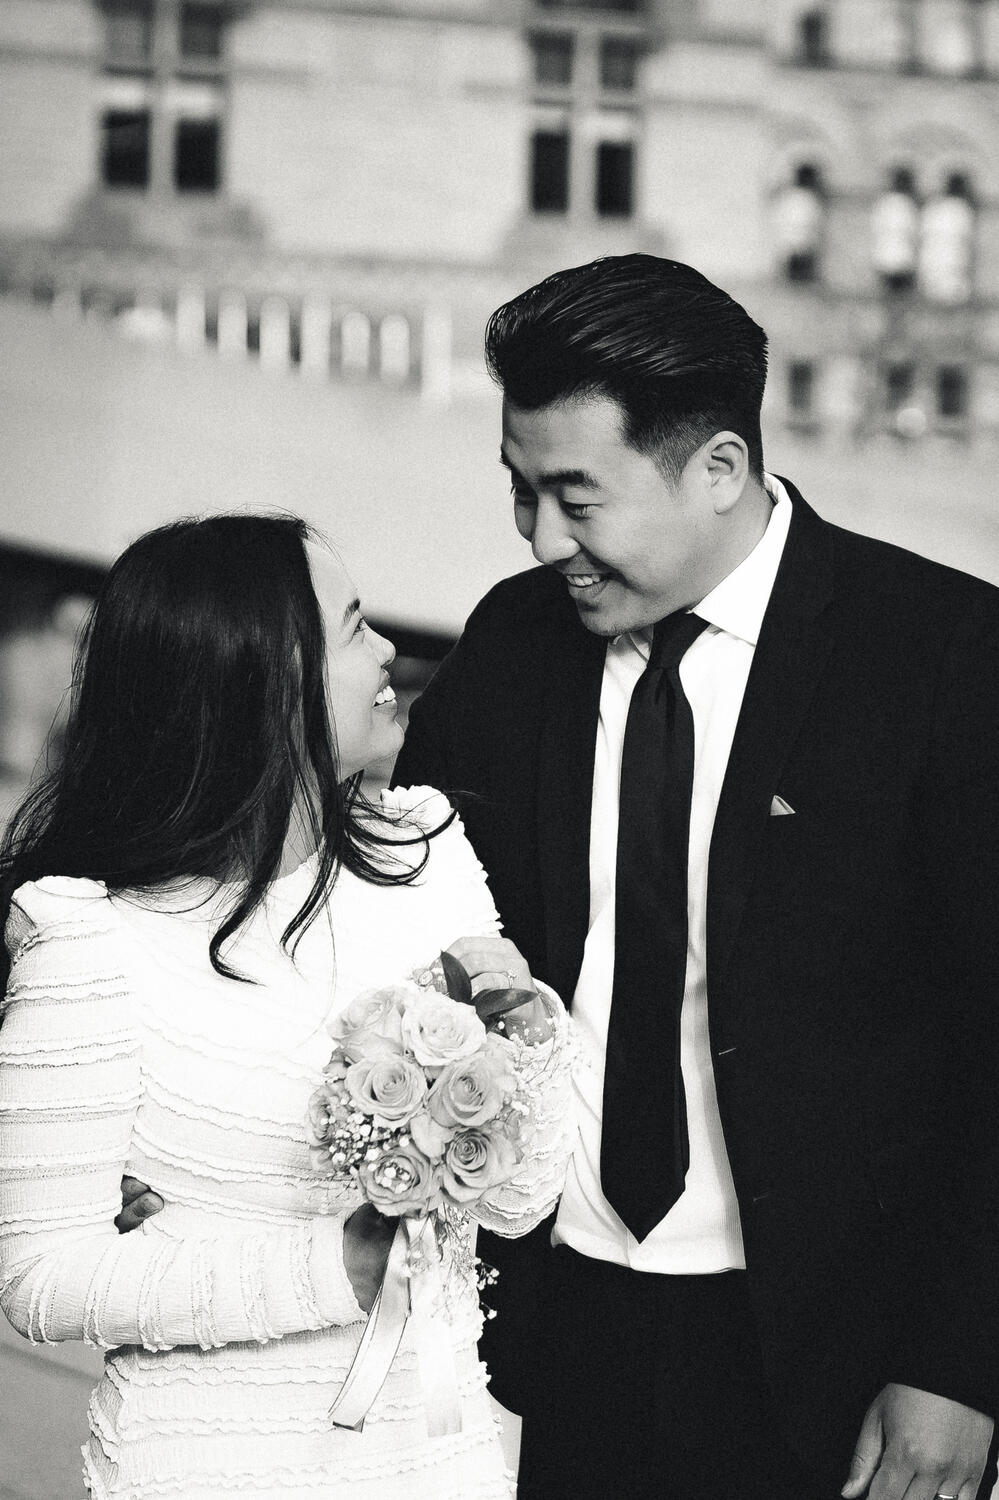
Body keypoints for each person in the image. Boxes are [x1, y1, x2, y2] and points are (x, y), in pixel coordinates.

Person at [391, 255, 999, 1499]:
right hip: (564, 1322)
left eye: (577, 497)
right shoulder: (510, 643)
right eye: (519, 491)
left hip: (840, 1354)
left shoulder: (945, 657)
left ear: (720, 467)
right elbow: (408, 931)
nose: (541, 538)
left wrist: (962, 1361)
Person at [0, 514, 573, 1500]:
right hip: (212, 1462)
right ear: (263, 682)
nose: (387, 650)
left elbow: (518, 1208)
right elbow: (40, 1282)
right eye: (352, 627)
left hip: (438, 1454)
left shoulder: (427, 849)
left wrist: (526, 1039)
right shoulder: (92, 937)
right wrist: (332, 1268)